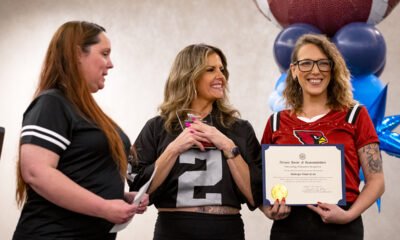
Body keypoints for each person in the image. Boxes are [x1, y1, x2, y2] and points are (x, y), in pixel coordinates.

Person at [13, 21, 148, 240]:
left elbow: (80, 175)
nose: (110, 63)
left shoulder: (84, 110)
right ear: (77, 54)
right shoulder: (51, 103)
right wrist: (104, 207)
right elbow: (36, 172)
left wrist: (120, 197)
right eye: (104, 53)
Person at [128, 43, 262, 240]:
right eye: (210, 69)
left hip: (227, 230)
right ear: (189, 75)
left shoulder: (239, 129)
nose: (221, 76)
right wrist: (173, 149)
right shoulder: (157, 127)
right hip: (173, 231)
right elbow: (137, 189)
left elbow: (255, 195)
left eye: (222, 70)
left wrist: (227, 145)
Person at [260, 34, 385, 240]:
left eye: (323, 63)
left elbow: (377, 181)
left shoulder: (355, 116)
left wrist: (348, 215)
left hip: (342, 226)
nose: (315, 71)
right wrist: (268, 209)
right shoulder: (276, 122)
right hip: (289, 227)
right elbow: (261, 179)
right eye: (306, 63)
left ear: (333, 69)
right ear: (294, 70)